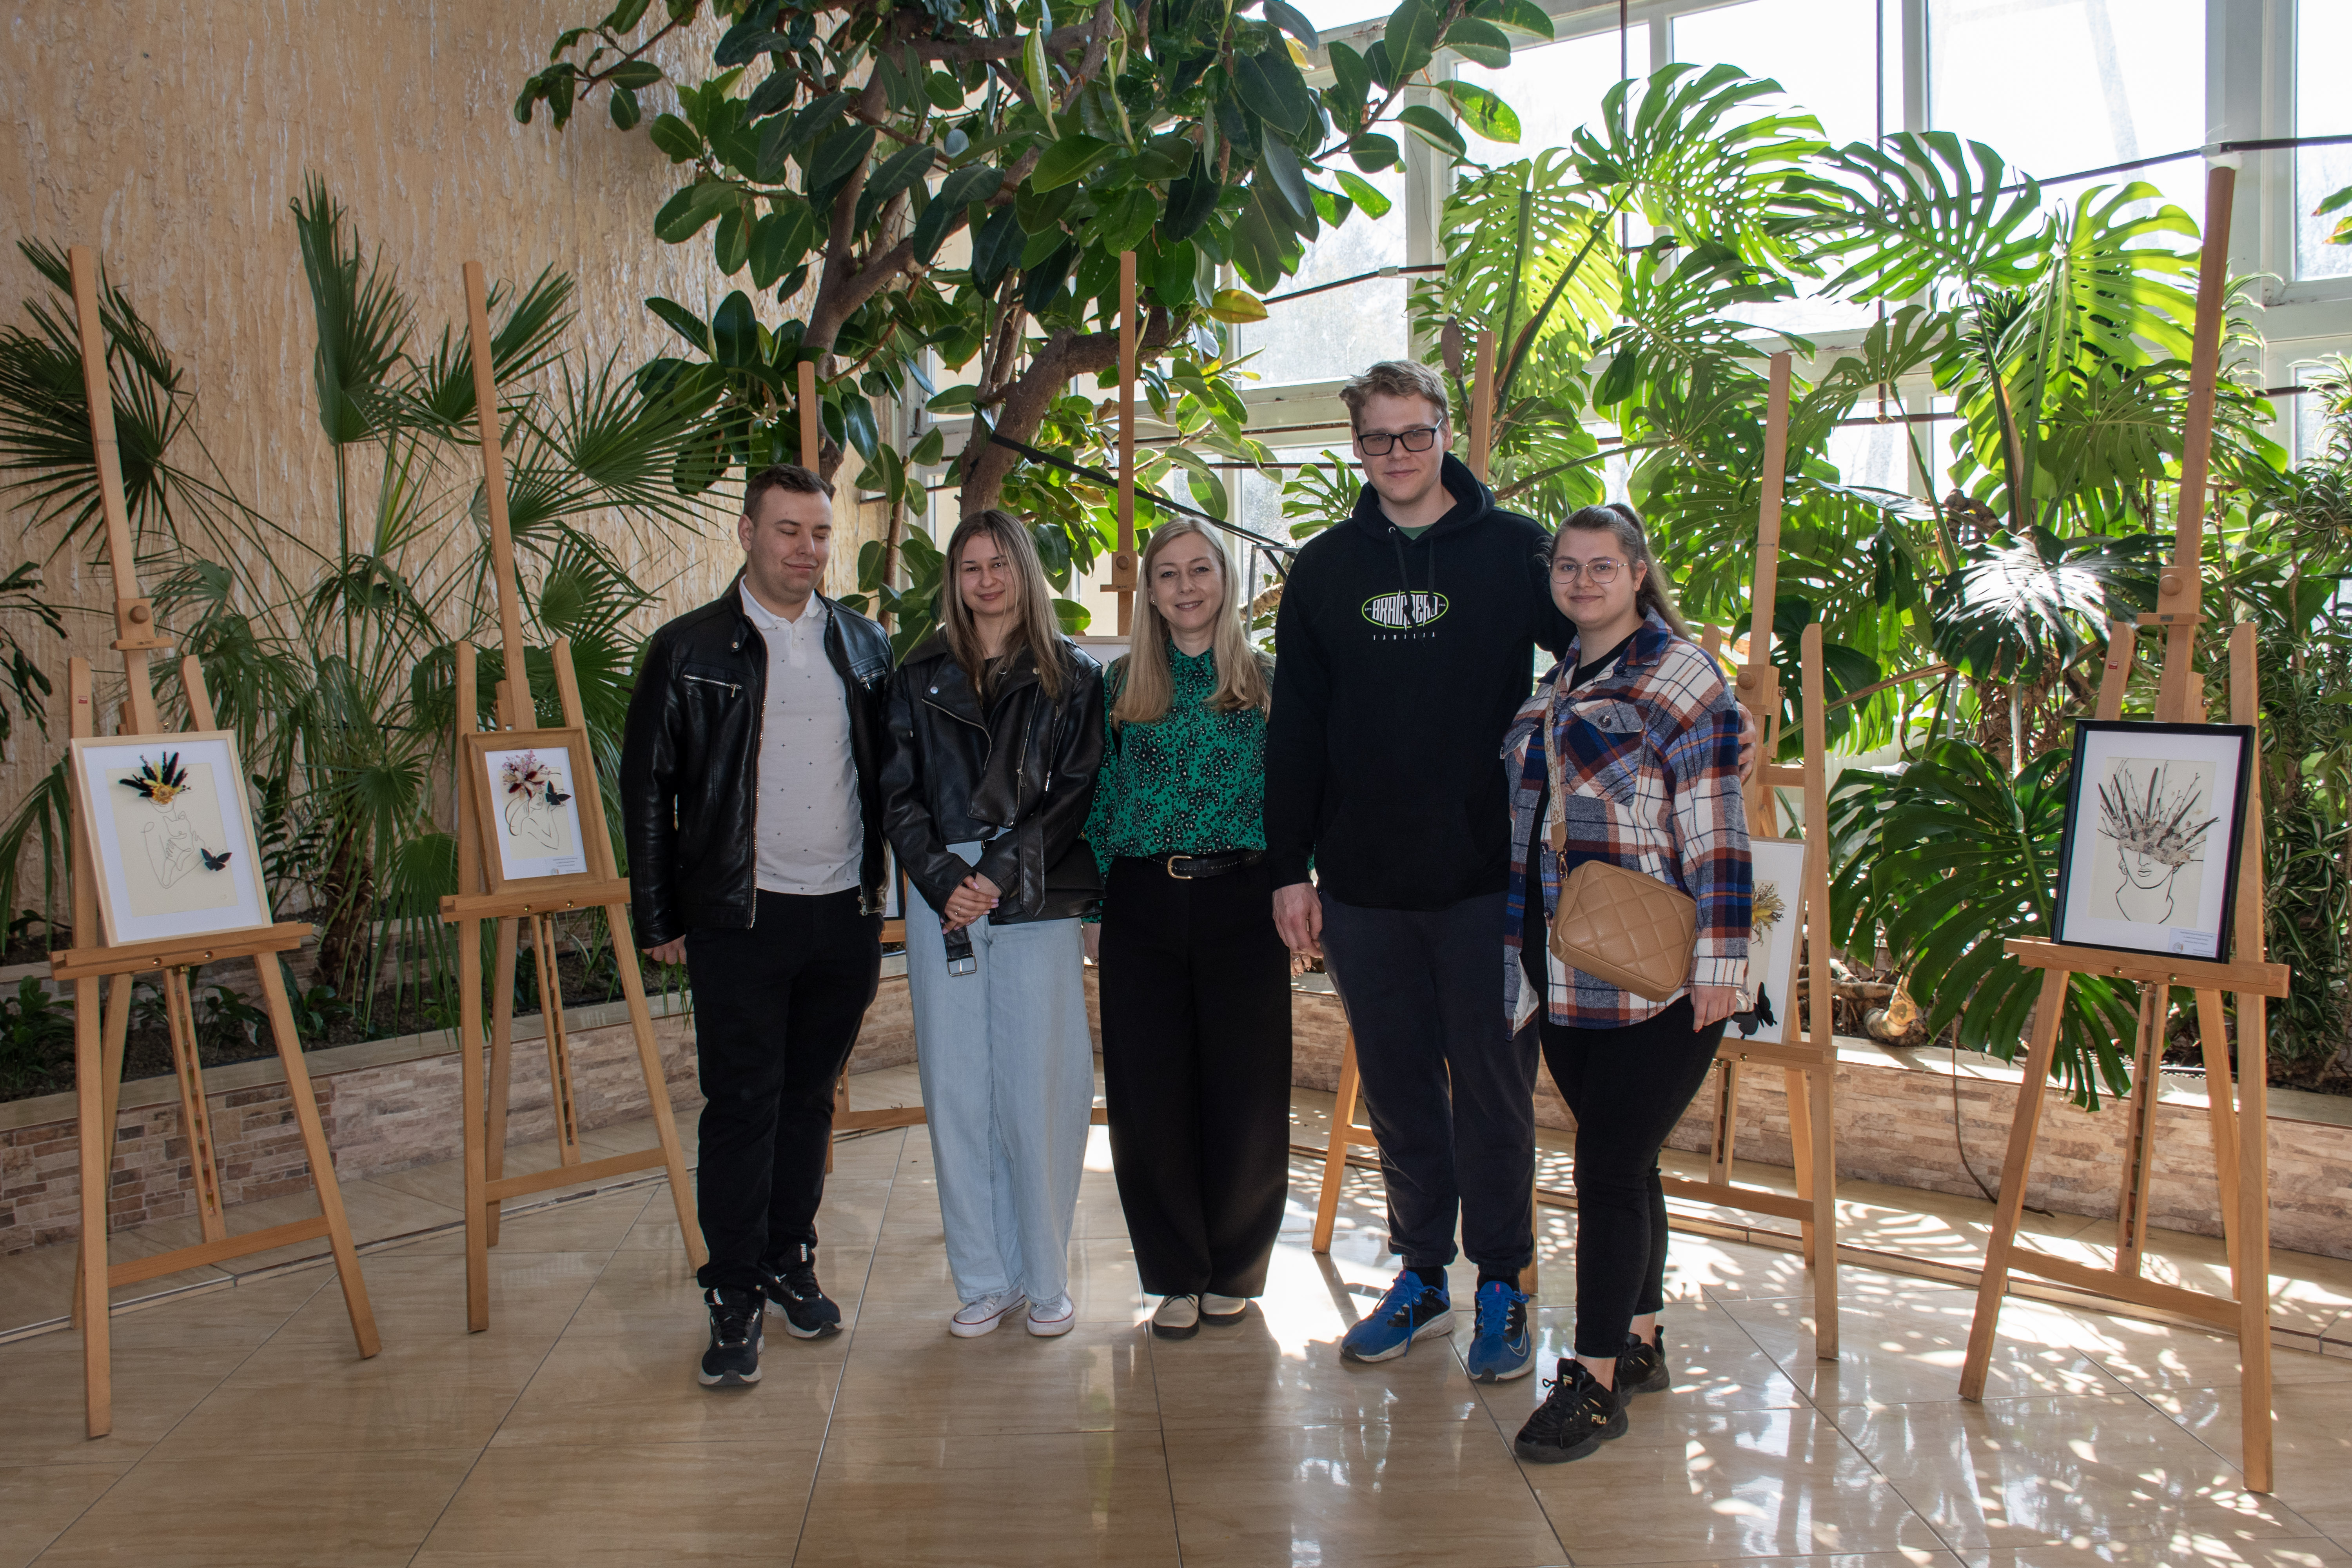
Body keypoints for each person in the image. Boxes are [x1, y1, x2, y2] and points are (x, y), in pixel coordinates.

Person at [1267, 361, 1755, 1384]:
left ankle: (1503, 1283)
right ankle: (1420, 1275)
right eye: (1378, 437)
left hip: (1491, 886)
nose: (1398, 453)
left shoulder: (1516, 551)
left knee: (1494, 1094)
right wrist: (1289, 868)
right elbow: (1297, 729)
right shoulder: (1323, 570)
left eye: (1415, 432)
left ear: (1445, 432)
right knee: (1399, 1092)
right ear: (1357, 446)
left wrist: (1720, 712)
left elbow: (1614, 635)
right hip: (1359, 886)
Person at [619, 462, 894, 1389]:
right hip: (741, 914)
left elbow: (890, 775)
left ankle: (787, 1256)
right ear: (747, 533)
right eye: (787, 530)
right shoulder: (688, 649)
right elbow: (647, 788)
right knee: (743, 1102)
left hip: (843, 913)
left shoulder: (863, 645)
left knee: (809, 1100)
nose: (805, 549)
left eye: (819, 533)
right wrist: (659, 912)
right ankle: (733, 1288)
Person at [1505, 503, 1751, 1465]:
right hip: (1568, 969)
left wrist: (1722, 964)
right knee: (1631, 1161)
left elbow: (1718, 827)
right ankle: (1643, 1339)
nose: (1583, 581)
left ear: (1639, 572)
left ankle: (1594, 1379)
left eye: (1602, 565)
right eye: (1567, 567)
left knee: (1606, 1169)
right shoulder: (1556, 680)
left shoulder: (1682, 677)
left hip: (1662, 975)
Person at [880, 508, 1105, 1339]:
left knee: (1039, 1083)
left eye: (999, 563)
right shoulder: (916, 673)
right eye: (970, 566)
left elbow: (1075, 791)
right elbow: (896, 793)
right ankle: (984, 1278)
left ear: (1024, 570)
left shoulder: (1072, 676)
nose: (986, 580)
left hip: (1034, 888)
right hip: (941, 891)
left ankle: (1045, 1278)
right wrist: (947, 880)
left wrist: (996, 873)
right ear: (955, 578)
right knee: (956, 1085)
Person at [1082, 519, 1289, 1340]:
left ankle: (1235, 1266)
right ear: (1151, 592)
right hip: (1143, 901)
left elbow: (1297, 797)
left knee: (1246, 1088)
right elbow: (1100, 798)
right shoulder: (1122, 682)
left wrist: (1298, 887)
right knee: (1149, 1093)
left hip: (1245, 900)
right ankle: (1173, 1273)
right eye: (1167, 574)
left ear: (1225, 581)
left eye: (1200, 569)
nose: (1185, 586)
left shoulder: (1268, 682)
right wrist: (1096, 909)